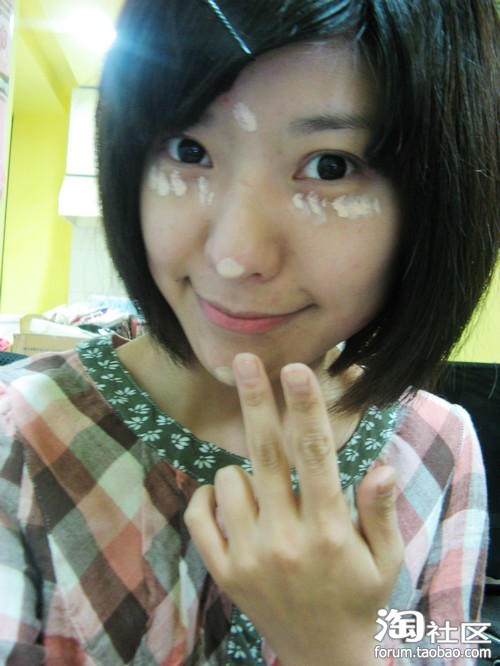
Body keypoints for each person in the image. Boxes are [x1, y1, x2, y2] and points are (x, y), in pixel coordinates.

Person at [0, 0, 497, 663]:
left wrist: (338, 648)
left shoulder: (439, 449)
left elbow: (447, 647)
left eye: (330, 166)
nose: (235, 256)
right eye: (189, 151)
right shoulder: (20, 437)